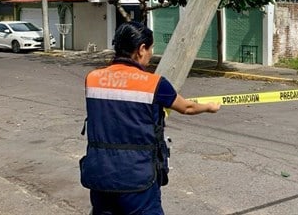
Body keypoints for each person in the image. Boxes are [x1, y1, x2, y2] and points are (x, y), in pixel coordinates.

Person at [79, 21, 221, 214]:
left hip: (100, 173)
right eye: (151, 48)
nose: (151, 53)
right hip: (137, 178)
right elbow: (187, 107)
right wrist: (209, 107)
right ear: (141, 49)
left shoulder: (93, 78)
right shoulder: (153, 83)